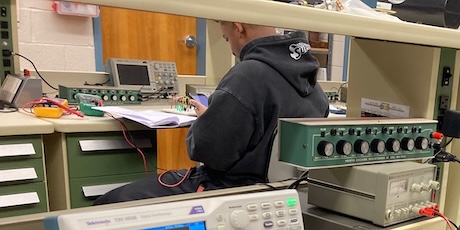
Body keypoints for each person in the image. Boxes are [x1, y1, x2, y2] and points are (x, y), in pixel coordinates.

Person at [95, 21, 329, 204]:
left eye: (227, 38)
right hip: (282, 195)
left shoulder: (248, 74)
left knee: (110, 203)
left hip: (228, 191)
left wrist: (206, 121)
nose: (232, 48)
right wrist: (220, 114)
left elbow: (207, 151)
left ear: (239, 28)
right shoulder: (314, 86)